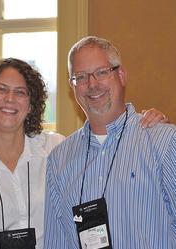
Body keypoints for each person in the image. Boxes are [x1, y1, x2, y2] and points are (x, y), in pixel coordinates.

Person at [0, 57, 167, 249]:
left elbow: (105, 152)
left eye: (20, 92)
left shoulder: (58, 150)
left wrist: (142, 122)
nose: (9, 99)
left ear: (32, 104)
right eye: (1, 89)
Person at [44, 36, 176, 249]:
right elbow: (56, 243)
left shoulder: (164, 142)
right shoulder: (58, 160)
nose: (92, 84)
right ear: (72, 86)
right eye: (81, 76)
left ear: (121, 75)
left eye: (102, 72)